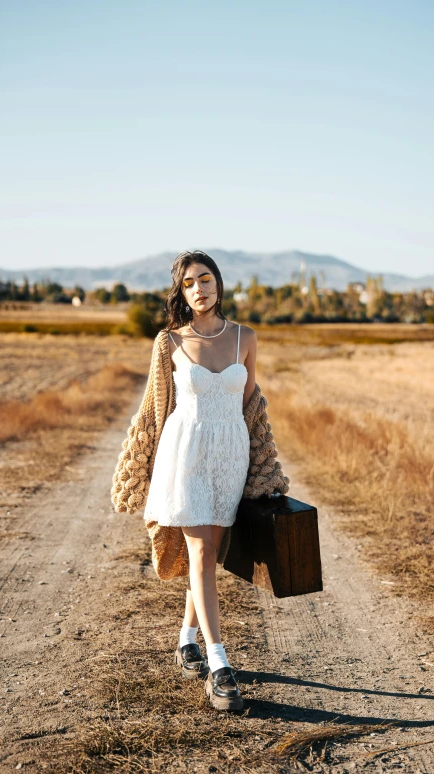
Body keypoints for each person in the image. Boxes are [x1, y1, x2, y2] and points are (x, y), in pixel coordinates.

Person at [142, 250, 259, 711]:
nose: (199, 289)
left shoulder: (244, 338)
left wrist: (264, 463)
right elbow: (156, 406)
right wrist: (144, 460)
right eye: (189, 283)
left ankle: (187, 637)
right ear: (181, 293)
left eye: (205, 279)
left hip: (230, 453)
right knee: (202, 551)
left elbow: (252, 404)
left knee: (211, 553)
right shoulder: (169, 342)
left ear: (218, 283)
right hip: (186, 452)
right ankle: (219, 665)